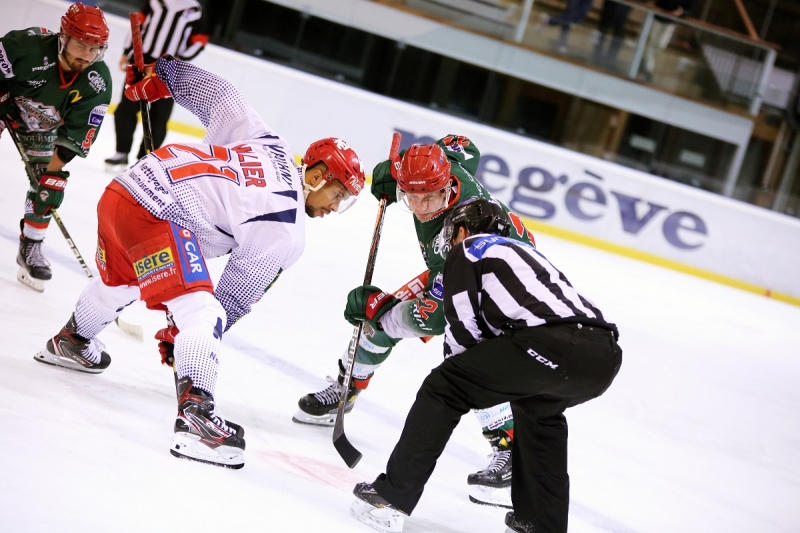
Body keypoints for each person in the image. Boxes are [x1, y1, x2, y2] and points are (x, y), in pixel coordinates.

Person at [32, 55, 366, 469]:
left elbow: (219, 95)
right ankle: (196, 418)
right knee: (204, 313)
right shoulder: (286, 228)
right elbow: (232, 299)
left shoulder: (271, 143)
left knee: (124, 282)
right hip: (157, 216)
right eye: (337, 195)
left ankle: (72, 340)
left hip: (123, 191)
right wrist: (183, 332)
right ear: (316, 176)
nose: (335, 208)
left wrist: (164, 73)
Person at [349, 197, 623, 533]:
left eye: (452, 235)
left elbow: (463, 334)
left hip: (549, 343)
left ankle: (391, 498)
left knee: (443, 388)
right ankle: (540, 526)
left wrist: (462, 384)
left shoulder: (470, 249)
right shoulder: (526, 255)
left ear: (463, 230)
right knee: (539, 414)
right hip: (603, 357)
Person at [293, 136, 537, 507]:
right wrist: (400, 168)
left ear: (447, 188)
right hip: (456, 271)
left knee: (467, 358)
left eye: (430, 199)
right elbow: (465, 147)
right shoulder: (444, 168)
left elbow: (433, 318)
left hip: (500, 287)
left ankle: (511, 448)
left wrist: (380, 306)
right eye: (411, 198)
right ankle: (347, 388)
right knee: (378, 325)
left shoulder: (460, 234)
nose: (421, 209)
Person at [0, 2, 112, 292]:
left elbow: (76, 135)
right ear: (63, 37)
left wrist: (48, 178)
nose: (87, 55)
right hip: (5, 107)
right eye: (81, 45)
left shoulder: (97, 82)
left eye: (95, 48)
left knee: (52, 184)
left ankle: (31, 247)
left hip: (41, 128)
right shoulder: (26, 47)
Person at [105, 0, 208, 171]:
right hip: (142, 60)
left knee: (159, 117)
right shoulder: (154, 1)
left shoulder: (195, 9)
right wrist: (126, 52)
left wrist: (180, 59)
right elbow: (137, 25)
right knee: (126, 108)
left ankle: (145, 160)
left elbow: (200, 41)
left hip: (171, 67)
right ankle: (121, 152)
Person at [640, 0, 696, 82]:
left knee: (661, 45)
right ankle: (648, 69)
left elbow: (690, 10)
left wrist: (682, 11)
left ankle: (644, 61)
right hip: (658, 16)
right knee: (652, 43)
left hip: (671, 21)